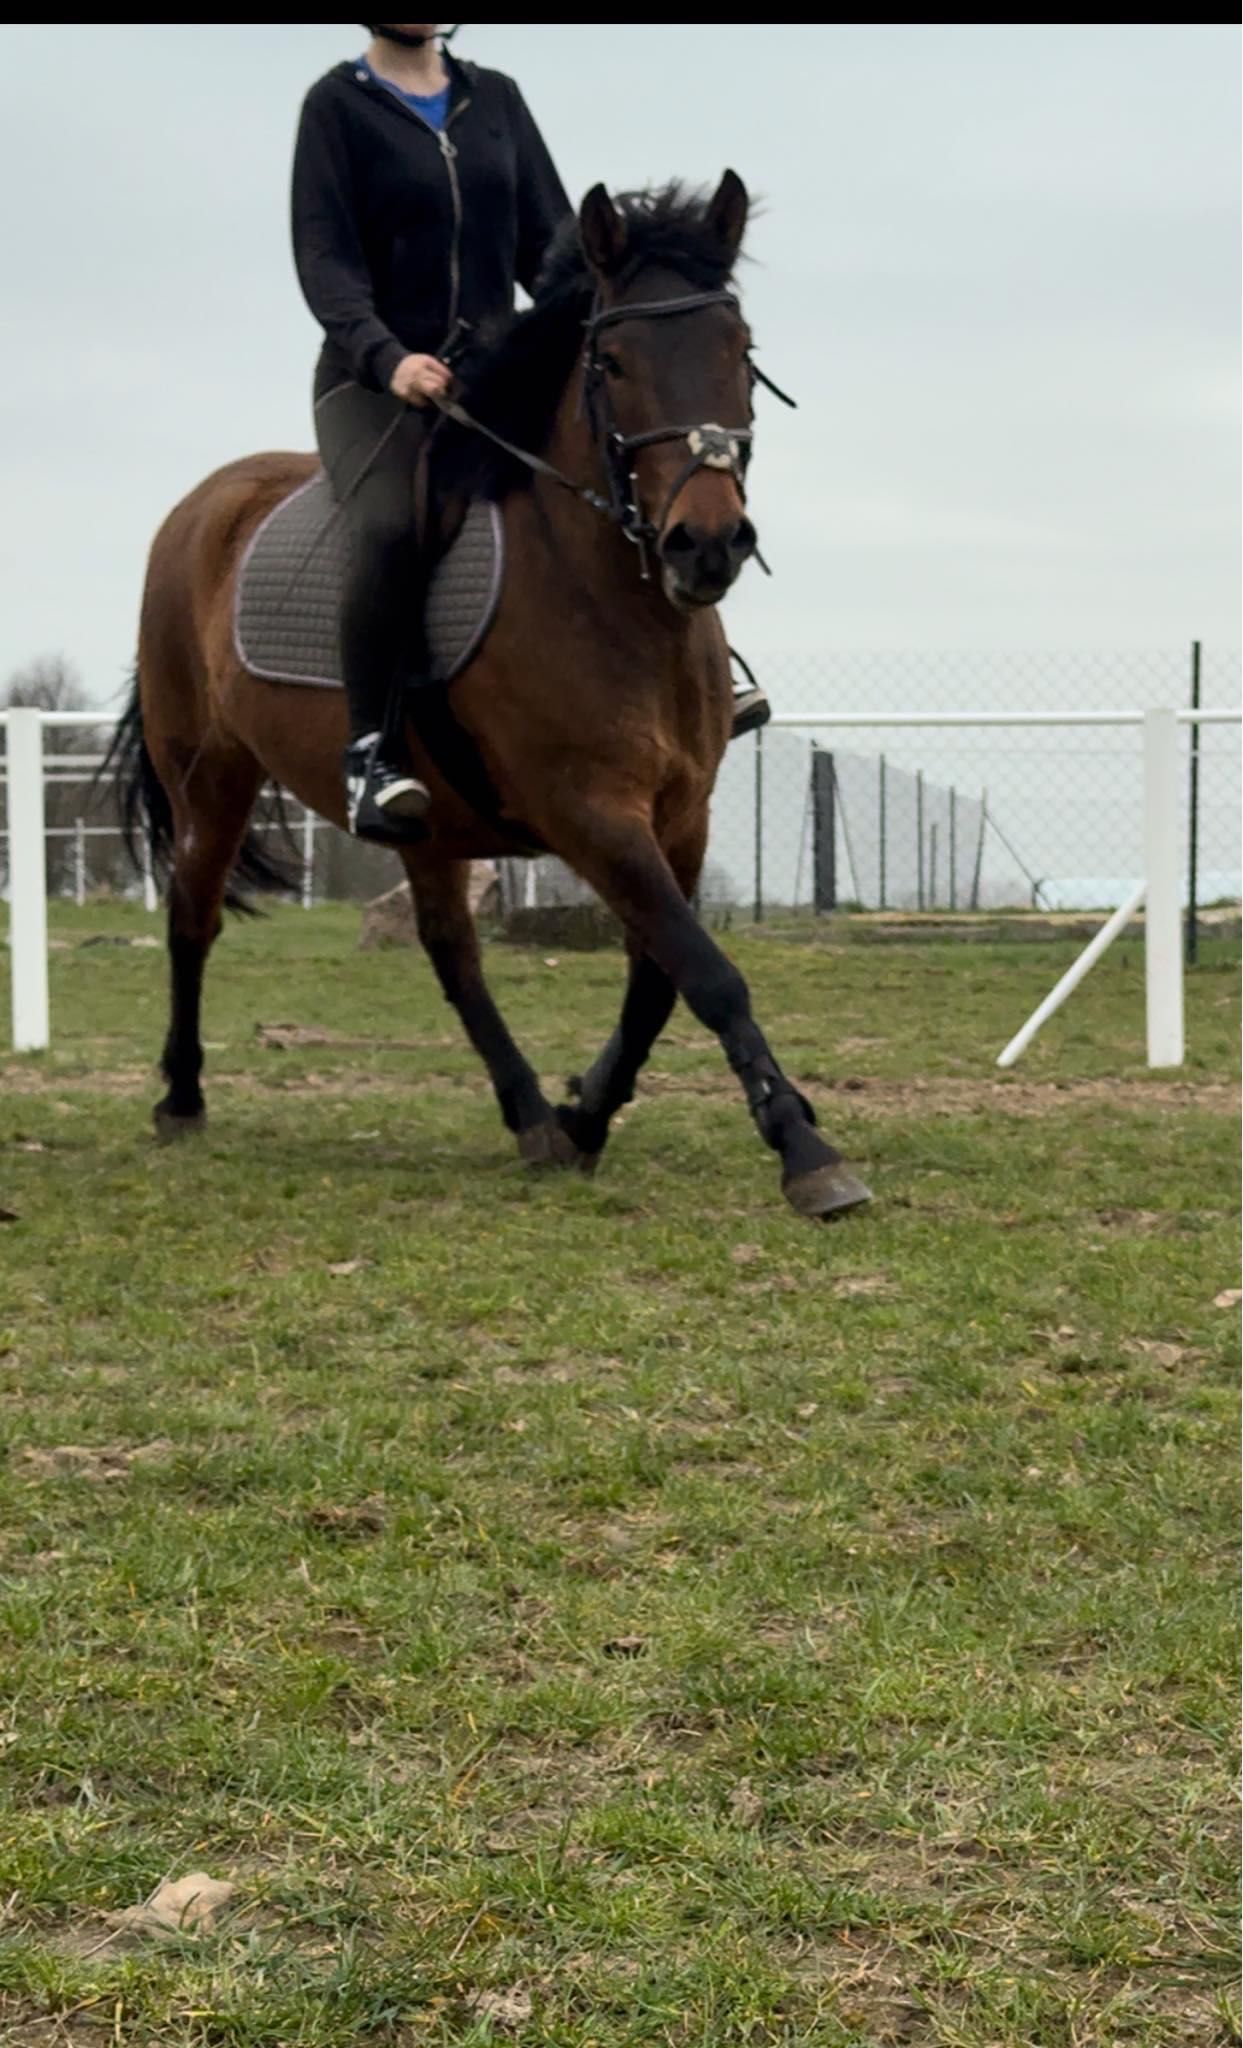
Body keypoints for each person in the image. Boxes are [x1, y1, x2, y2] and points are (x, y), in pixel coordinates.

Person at [292, 25, 769, 845]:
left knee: (617, 475)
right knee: (392, 525)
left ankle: (703, 669)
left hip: (487, 370)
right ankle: (370, 750)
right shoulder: (336, 107)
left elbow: (554, 246)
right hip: (374, 384)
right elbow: (325, 263)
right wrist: (387, 357)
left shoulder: (495, 99)